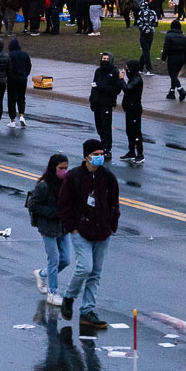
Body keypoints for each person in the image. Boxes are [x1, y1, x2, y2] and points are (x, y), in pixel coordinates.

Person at [57, 139, 120, 330]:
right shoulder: (74, 177)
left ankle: (87, 311)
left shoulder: (108, 177)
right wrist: (73, 228)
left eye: (102, 154)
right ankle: (69, 297)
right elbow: (64, 204)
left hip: (103, 232)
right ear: (86, 157)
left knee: (95, 273)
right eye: (96, 154)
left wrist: (111, 226)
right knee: (85, 267)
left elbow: (114, 203)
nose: (100, 157)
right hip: (81, 231)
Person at [25, 153, 70, 306]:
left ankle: (42, 274)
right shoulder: (44, 185)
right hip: (48, 227)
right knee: (54, 259)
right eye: (61, 168)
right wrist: (54, 212)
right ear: (53, 168)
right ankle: (52, 293)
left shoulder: (66, 183)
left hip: (63, 226)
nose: (64, 171)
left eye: (66, 168)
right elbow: (33, 205)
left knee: (65, 259)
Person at [88, 52, 123, 156]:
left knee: (106, 127)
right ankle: (103, 144)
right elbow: (94, 86)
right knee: (99, 127)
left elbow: (116, 89)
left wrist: (103, 88)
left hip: (107, 103)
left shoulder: (115, 72)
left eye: (107, 58)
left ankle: (108, 148)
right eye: (103, 58)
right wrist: (92, 100)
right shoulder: (98, 71)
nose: (105, 60)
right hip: (97, 102)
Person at [119, 61, 146, 162]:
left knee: (136, 131)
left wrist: (121, 80)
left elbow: (127, 89)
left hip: (135, 109)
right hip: (129, 108)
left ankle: (140, 153)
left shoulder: (137, 79)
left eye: (128, 68)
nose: (126, 70)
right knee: (129, 131)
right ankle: (131, 151)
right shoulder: (132, 78)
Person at [160, 19, 186, 100]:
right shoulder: (184, 37)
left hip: (173, 58)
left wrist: (163, 58)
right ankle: (172, 92)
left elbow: (166, 48)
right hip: (182, 58)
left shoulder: (169, 36)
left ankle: (181, 90)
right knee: (175, 75)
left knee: (172, 75)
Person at [6, 38, 31, 128]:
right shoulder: (25, 54)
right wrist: (25, 75)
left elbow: (7, 67)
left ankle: (12, 120)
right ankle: (21, 116)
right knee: (21, 98)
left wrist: (8, 75)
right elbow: (29, 66)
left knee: (11, 99)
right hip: (23, 78)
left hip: (12, 79)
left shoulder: (9, 55)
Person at [135, 0, 158, 74]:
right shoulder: (153, 12)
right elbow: (156, 23)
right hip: (151, 33)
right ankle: (140, 67)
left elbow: (138, 23)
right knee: (146, 50)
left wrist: (143, 28)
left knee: (146, 51)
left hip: (144, 34)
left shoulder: (140, 13)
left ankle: (149, 69)